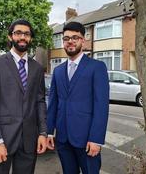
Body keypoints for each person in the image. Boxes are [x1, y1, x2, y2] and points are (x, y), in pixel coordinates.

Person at [0, 19, 47, 174]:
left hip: (29, 141)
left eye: (26, 34)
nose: (22, 37)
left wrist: (43, 133)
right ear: (10, 37)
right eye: (18, 33)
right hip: (3, 139)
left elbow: (40, 101)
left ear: (31, 38)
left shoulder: (37, 68)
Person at [46, 21, 109, 174]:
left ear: (83, 40)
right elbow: (53, 103)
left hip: (87, 139)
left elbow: (101, 106)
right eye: (66, 38)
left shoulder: (97, 67)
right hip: (63, 139)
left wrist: (96, 139)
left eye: (75, 37)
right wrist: (49, 131)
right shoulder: (58, 71)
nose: (70, 41)